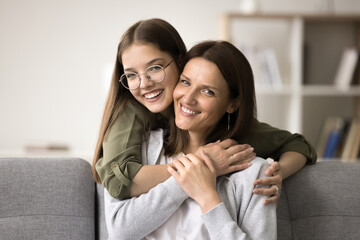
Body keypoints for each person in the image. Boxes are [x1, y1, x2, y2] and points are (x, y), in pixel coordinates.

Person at [92, 18, 317, 204]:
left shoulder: (223, 123)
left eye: (155, 68)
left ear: (180, 61)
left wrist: (279, 173)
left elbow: (298, 144)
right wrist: (201, 164)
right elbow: (116, 180)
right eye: (132, 74)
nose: (144, 83)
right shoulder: (133, 109)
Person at [105, 40, 278, 239]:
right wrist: (191, 173)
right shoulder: (138, 150)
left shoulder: (254, 172)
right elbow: (119, 231)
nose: (188, 98)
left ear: (232, 104)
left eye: (207, 91)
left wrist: (208, 198)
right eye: (185, 82)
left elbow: (294, 143)